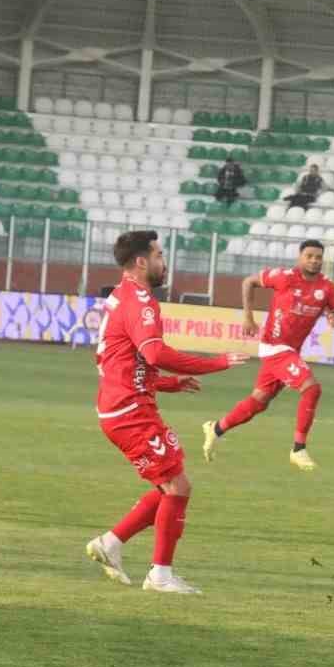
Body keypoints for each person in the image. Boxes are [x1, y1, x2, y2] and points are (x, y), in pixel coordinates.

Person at [84, 230, 247, 594]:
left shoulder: (119, 296)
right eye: (159, 255)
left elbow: (123, 363)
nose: (164, 262)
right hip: (130, 412)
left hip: (121, 406)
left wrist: (169, 385)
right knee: (177, 485)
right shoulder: (140, 302)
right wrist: (216, 362)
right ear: (141, 261)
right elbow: (155, 354)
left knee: (170, 483)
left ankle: (111, 544)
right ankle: (160, 575)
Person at [202, 239, 334, 472]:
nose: (314, 260)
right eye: (309, 255)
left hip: (290, 351)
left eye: (318, 257)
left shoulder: (327, 288)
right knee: (311, 388)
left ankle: (216, 428)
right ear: (300, 257)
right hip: (274, 346)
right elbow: (248, 281)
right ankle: (298, 449)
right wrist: (248, 317)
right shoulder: (284, 277)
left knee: (259, 401)